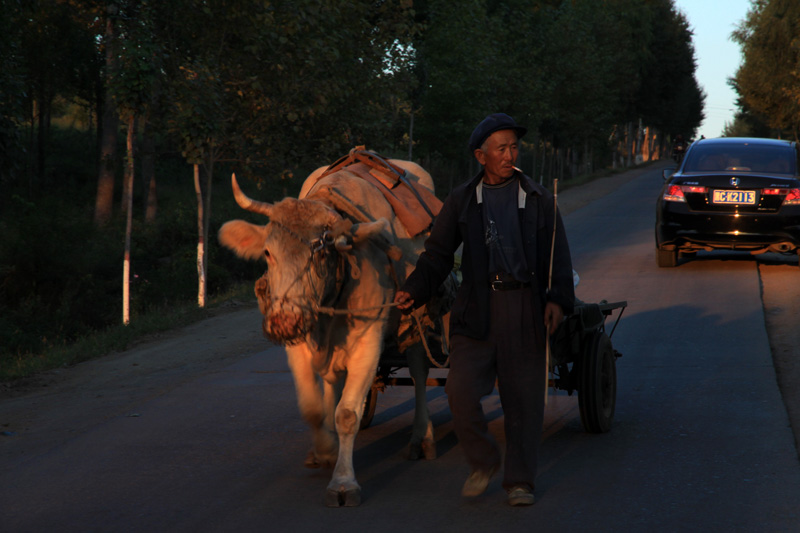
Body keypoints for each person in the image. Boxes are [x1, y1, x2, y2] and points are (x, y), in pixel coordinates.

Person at [394, 113, 574, 506]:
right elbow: (437, 255)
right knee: (459, 392)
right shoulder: (461, 199)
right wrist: (413, 290)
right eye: (501, 148)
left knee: (523, 402)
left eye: (514, 147)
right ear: (481, 155)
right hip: (476, 309)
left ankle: (520, 482)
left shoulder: (540, 199)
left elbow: (558, 257)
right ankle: (483, 460)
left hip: (524, 308)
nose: (510, 154)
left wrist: (558, 299)